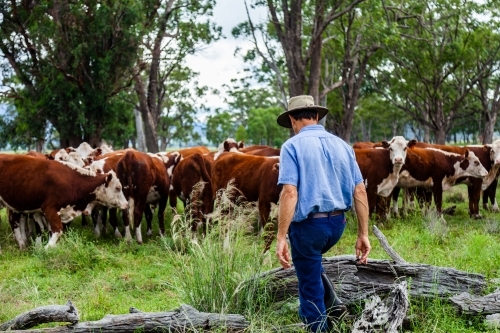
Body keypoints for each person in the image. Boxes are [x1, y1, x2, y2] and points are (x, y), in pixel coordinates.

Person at [275, 95, 371, 332]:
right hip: (337, 225)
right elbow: (359, 190)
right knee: (311, 260)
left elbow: (289, 193)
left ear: (291, 119)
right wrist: (363, 234)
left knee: (309, 289)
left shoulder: (292, 146)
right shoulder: (343, 146)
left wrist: (280, 236)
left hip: (309, 228)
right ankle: (334, 302)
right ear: (316, 116)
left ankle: (319, 325)